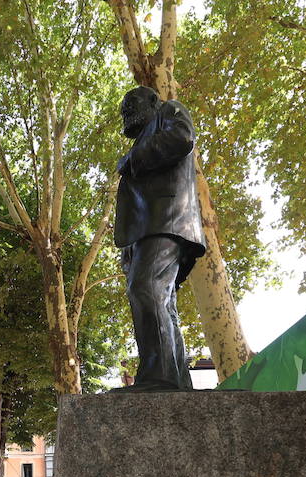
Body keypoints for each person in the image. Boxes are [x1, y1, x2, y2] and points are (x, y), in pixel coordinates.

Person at [113, 86, 207, 392]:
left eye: (131, 103)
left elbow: (183, 138)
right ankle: (176, 380)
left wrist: (132, 158)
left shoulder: (169, 110)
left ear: (152, 101)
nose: (125, 110)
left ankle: (159, 376)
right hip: (149, 228)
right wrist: (129, 247)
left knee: (146, 288)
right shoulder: (147, 132)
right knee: (163, 302)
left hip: (167, 220)